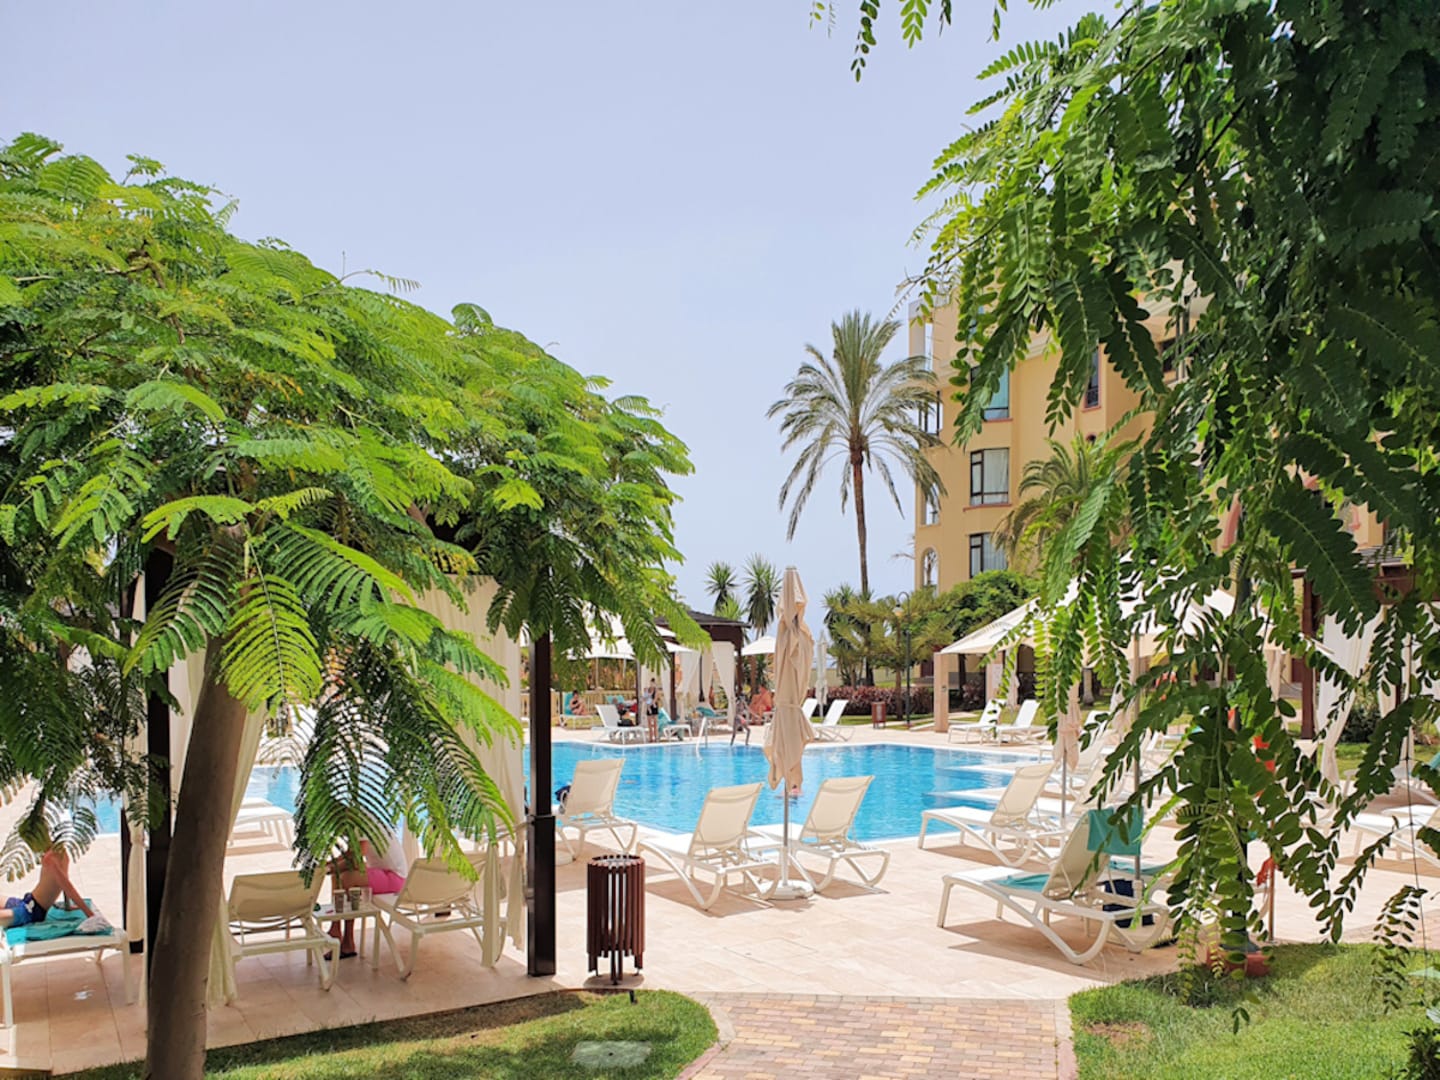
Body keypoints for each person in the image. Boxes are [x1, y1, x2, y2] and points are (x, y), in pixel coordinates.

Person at [328, 826, 406, 958]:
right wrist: (330, 864)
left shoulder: (360, 822)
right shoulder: (359, 820)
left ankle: (346, 940)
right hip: (384, 873)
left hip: (394, 877)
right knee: (337, 875)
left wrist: (328, 868)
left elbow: (356, 859)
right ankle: (336, 927)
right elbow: (350, 854)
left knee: (347, 878)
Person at [1, 846, 93, 929]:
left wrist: (90, 914)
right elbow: (64, 882)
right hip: (27, 901)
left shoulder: (51, 858)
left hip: (31, 912)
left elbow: (67, 886)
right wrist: (68, 905)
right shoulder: (61, 852)